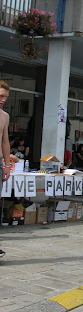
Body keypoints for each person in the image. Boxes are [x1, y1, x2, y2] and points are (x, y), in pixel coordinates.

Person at [0, 80, 11, 258]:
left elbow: (5, 141)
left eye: (5, 97)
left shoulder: (4, 116)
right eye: (1, 95)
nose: (2, 99)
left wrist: (7, 165)